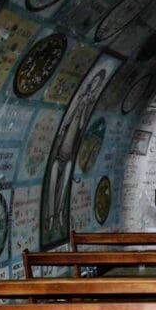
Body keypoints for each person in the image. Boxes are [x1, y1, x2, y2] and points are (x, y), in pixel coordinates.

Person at [43, 69, 106, 235]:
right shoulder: (74, 106)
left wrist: (84, 107)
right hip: (59, 155)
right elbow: (66, 123)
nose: (90, 93)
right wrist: (80, 104)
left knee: (63, 187)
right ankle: (50, 216)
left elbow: (81, 126)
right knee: (52, 183)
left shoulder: (84, 109)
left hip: (69, 157)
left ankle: (60, 213)